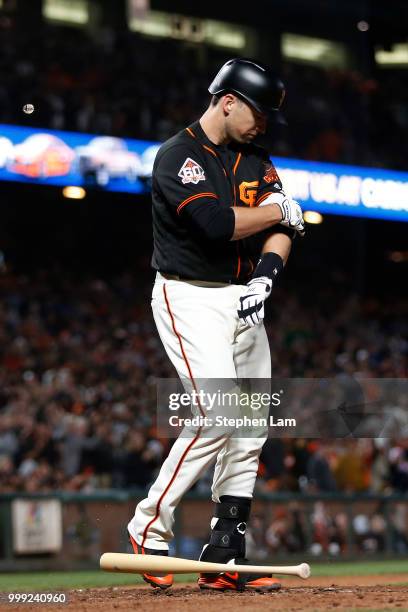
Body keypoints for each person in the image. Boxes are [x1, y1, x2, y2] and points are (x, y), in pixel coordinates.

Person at [127, 58, 305, 592]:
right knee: (215, 412)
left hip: (244, 296)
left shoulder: (256, 158)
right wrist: (279, 212)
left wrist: (266, 278)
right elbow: (218, 224)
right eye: (257, 112)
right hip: (190, 296)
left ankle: (224, 550)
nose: (263, 124)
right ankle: (147, 528)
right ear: (227, 101)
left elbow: (287, 229)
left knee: (251, 425)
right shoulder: (177, 156)